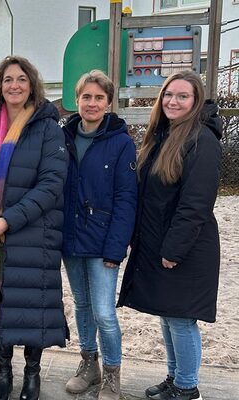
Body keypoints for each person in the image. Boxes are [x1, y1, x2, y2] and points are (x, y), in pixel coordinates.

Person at [0, 56, 68, 400]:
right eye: (7, 79)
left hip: (32, 235)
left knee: (32, 304)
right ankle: (3, 371)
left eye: (21, 79)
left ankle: (33, 375)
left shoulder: (48, 128)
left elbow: (52, 184)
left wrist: (10, 219)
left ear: (32, 84)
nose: (14, 85)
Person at [118, 70, 223, 400]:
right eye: (169, 95)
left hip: (186, 247)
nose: (173, 101)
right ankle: (175, 377)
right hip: (159, 242)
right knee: (168, 313)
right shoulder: (164, 134)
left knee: (180, 319)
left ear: (195, 101)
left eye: (182, 96)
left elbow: (196, 203)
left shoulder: (201, 140)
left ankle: (188, 387)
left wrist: (174, 249)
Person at [61, 70, 137, 400]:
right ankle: (88, 364)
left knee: (104, 312)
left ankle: (112, 375)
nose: (92, 103)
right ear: (76, 100)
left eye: (99, 98)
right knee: (80, 305)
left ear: (108, 102)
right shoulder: (63, 137)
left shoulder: (120, 142)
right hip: (71, 238)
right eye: (86, 97)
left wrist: (115, 248)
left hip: (103, 240)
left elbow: (126, 199)